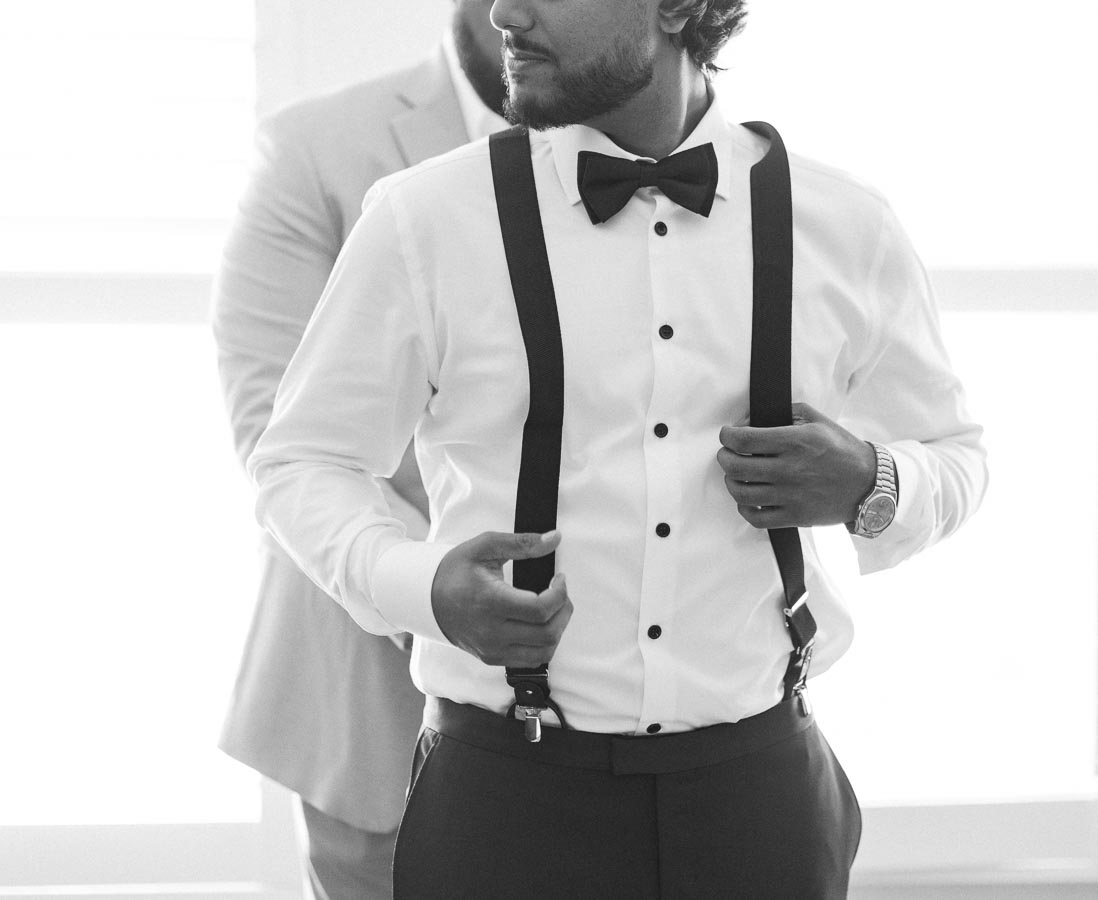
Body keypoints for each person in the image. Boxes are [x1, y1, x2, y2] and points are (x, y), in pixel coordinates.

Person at [249, 0, 988, 895]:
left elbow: (957, 455)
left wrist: (873, 482)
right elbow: (302, 460)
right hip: (502, 803)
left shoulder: (847, 225)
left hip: (762, 802)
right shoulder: (426, 218)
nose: (503, 12)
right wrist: (422, 586)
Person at [210, 4, 506, 898]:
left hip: (637, 711)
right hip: (374, 695)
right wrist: (434, 581)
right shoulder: (314, 150)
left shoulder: (659, 158)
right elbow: (280, 430)